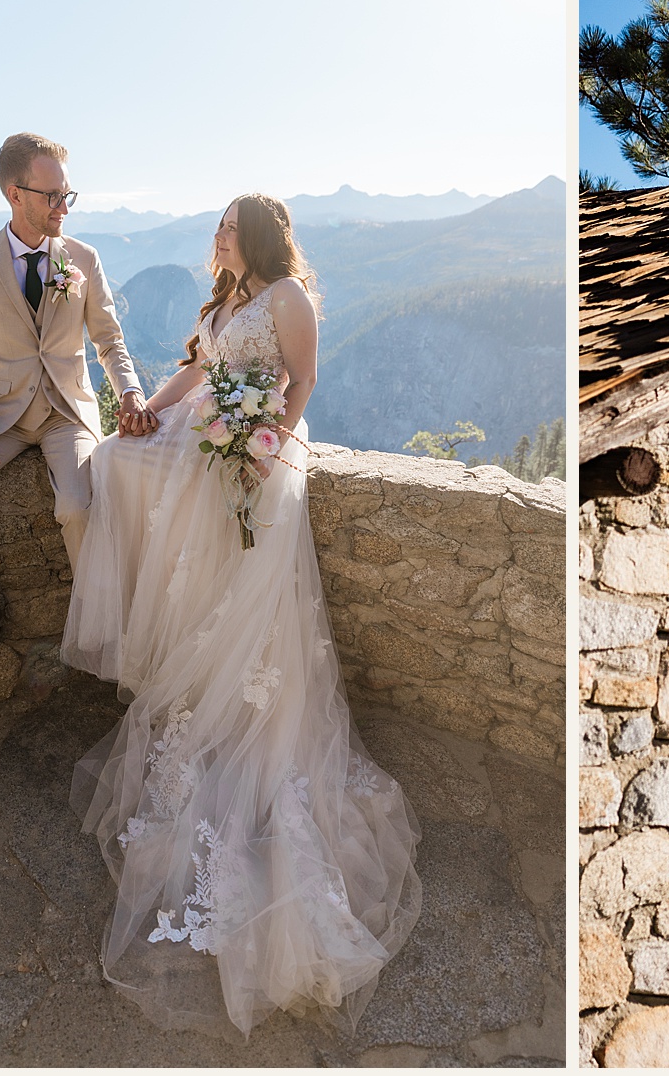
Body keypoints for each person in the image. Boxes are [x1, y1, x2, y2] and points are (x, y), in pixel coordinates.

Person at [63, 193, 421, 1036]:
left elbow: (303, 380)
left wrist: (267, 446)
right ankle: (200, 695)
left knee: (249, 609)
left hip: (262, 464)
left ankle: (250, 736)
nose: (214, 238)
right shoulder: (227, 298)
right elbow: (199, 368)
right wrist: (152, 404)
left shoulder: (288, 297)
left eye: (224, 227)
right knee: (122, 464)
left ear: (253, 235)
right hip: (213, 441)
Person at [0, 133, 150, 686]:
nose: (62, 208)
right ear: (13, 193)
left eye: (67, 195)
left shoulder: (84, 260)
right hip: (1, 417)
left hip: (68, 414)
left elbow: (109, 342)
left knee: (76, 506)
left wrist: (131, 394)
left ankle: (104, 635)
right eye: (51, 196)